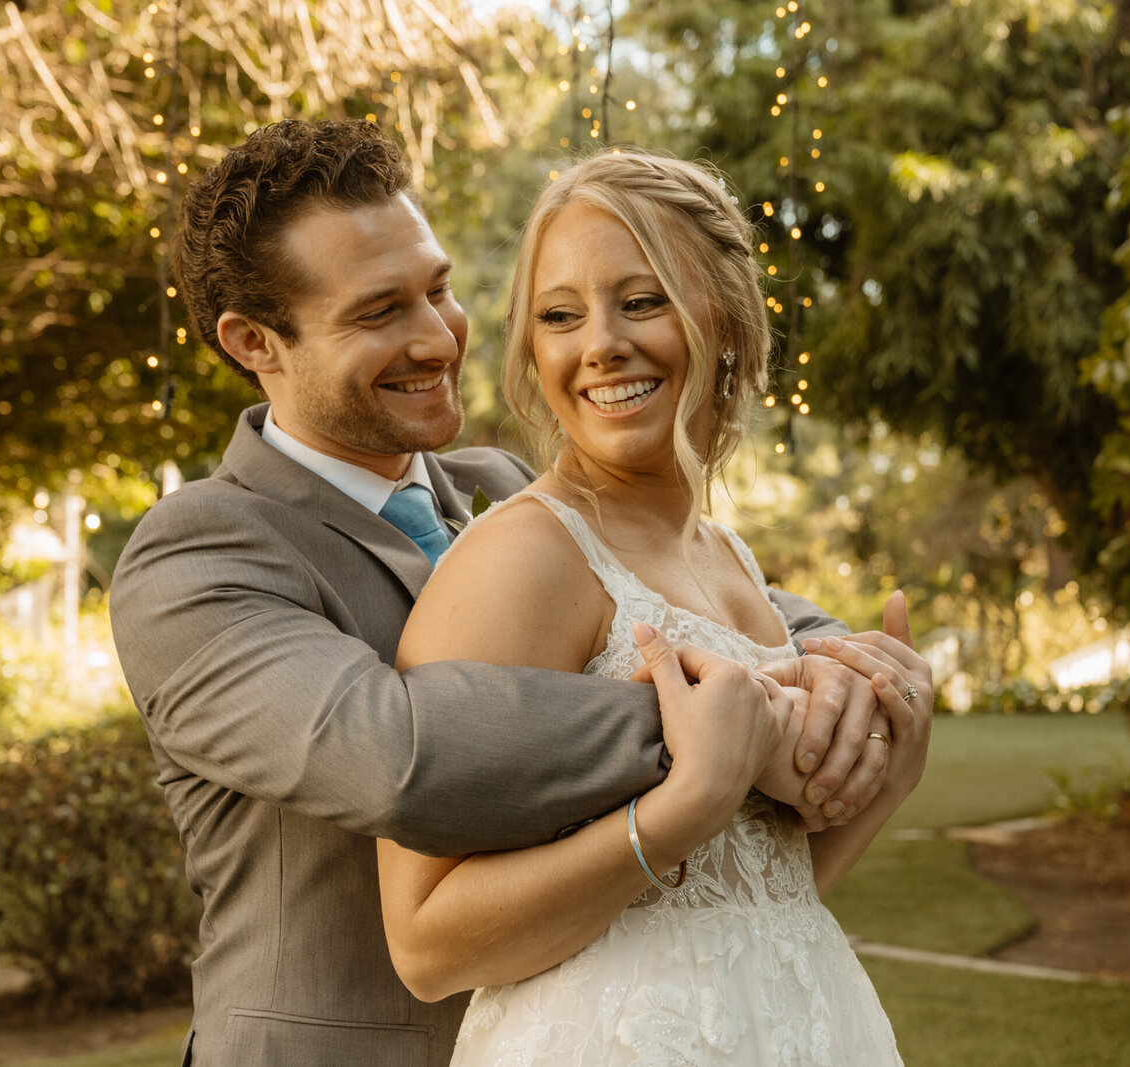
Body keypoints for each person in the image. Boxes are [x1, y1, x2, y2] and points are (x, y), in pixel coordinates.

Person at [110, 119, 922, 1066]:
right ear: (256, 342)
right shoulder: (198, 551)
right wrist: (736, 735)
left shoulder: (497, 482)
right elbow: (397, 752)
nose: (435, 336)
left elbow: (740, 616)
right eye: (380, 313)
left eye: (440, 289)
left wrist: (859, 686)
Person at [377, 150, 932, 1064]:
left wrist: (896, 768)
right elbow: (427, 944)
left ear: (724, 313)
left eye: (641, 301)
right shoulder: (523, 557)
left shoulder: (732, 560)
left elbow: (765, 891)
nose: (599, 344)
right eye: (561, 316)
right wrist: (682, 807)